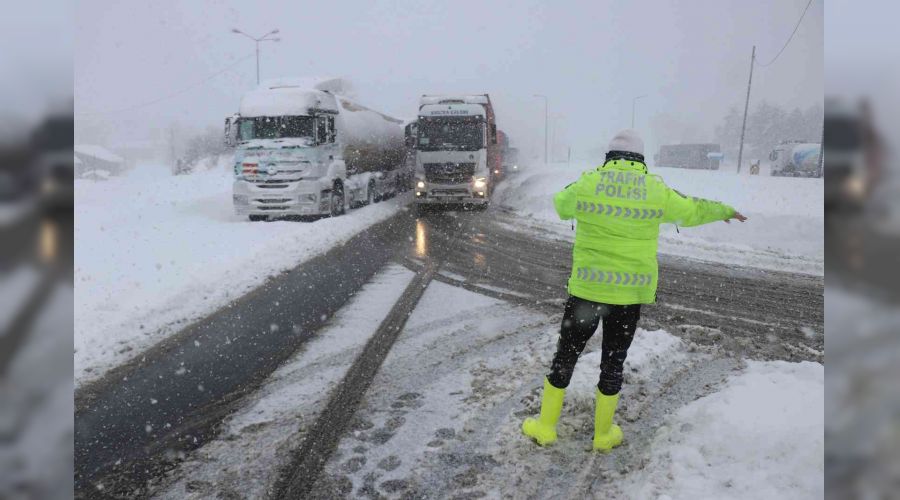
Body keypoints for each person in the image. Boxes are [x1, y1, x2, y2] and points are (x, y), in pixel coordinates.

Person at [522, 129, 746, 452]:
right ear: (640, 159)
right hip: (627, 298)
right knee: (613, 362)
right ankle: (602, 435)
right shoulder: (655, 190)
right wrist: (723, 210)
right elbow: (692, 210)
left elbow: (560, 204)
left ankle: (545, 427)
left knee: (565, 356)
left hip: (587, 292)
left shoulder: (589, 182)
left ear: (609, 157)